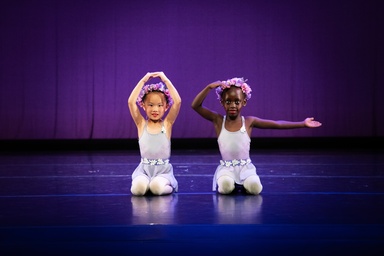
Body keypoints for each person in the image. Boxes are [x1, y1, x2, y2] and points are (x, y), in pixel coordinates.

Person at [191, 77, 322, 195]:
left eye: (237, 102)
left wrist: (303, 124)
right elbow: (195, 106)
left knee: (255, 188)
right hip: (227, 168)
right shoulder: (218, 121)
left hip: (246, 168)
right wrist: (208, 87)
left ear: (244, 103)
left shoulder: (249, 122)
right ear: (222, 103)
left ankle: (244, 183)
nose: (232, 105)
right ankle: (230, 182)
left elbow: (277, 124)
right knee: (226, 188)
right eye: (228, 101)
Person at [128, 71, 181, 196]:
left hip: (163, 172)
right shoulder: (141, 124)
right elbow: (131, 102)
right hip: (144, 171)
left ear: (166, 107)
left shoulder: (167, 124)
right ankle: (145, 184)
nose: (155, 109)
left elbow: (177, 102)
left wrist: (165, 79)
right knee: (138, 190)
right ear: (143, 105)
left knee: (156, 188)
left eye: (159, 105)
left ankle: (170, 185)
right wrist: (144, 80)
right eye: (151, 105)